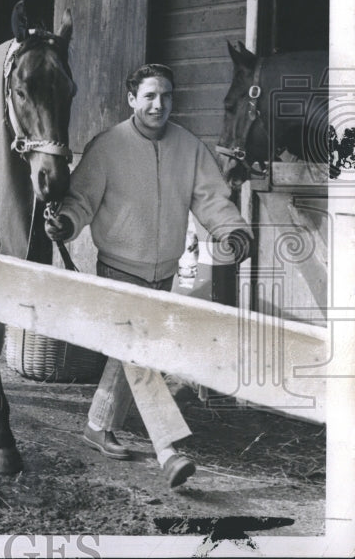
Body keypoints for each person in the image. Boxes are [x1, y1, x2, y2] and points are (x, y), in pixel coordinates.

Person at [44, 63, 253, 489]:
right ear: (132, 99)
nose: (160, 105)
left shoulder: (189, 148)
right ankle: (168, 449)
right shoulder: (107, 147)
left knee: (132, 355)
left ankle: (96, 426)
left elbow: (212, 200)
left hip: (163, 272)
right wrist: (64, 222)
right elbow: (80, 200)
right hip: (118, 269)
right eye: (150, 96)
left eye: (167, 96)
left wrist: (231, 231)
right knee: (138, 354)